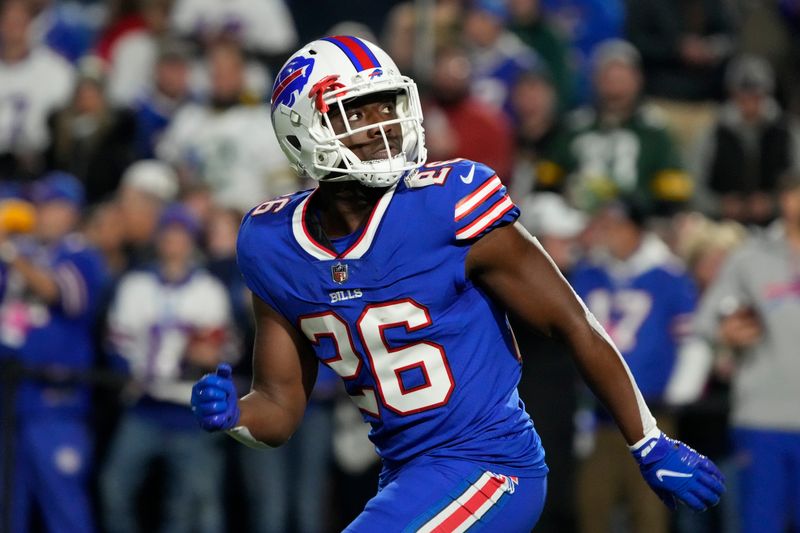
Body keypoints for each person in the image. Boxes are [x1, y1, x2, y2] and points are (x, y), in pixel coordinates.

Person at [190, 35, 725, 531]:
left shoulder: (448, 204)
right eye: (355, 111)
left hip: (492, 465)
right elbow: (280, 407)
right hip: (406, 476)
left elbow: (573, 323)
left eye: (386, 104)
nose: (382, 125)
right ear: (300, 128)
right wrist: (236, 414)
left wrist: (648, 442)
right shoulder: (271, 242)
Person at [569, 199, 713, 533]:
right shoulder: (589, 272)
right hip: (599, 414)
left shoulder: (668, 275)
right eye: (606, 226)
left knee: (649, 512)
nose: (610, 235)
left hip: (652, 413)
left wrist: (678, 394)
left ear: (637, 230)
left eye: (618, 227)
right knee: (592, 506)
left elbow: (692, 341)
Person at [101, 203, 233, 533]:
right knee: (113, 487)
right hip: (144, 405)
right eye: (169, 233)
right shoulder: (136, 285)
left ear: (192, 240)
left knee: (185, 506)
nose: (174, 240)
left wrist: (204, 354)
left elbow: (222, 350)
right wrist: (126, 375)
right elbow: (116, 341)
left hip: (188, 410)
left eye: (181, 234)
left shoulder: (209, 291)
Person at [0, 172, 108, 533]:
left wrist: (10, 252)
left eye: (50, 205)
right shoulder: (24, 252)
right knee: (9, 510)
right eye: (39, 205)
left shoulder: (81, 256)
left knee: (64, 510)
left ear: (71, 212)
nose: (41, 213)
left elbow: (56, 292)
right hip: (12, 398)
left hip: (56, 402)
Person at [694, 171, 800, 533]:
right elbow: (706, 321)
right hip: (762, 416)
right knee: (760, 524)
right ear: (783, 199)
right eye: (793, 193)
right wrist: (727, 332)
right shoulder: (750, 257)